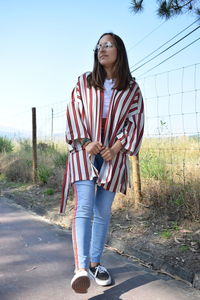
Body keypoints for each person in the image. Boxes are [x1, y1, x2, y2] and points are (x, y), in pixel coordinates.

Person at [60, 32, 144, 294]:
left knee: (103, 211)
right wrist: (86, 141)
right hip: (84, 151)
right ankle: (81, 269)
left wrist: (116, 147)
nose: (102, 49)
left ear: (119, 50)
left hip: (113, 155)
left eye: (108, 45)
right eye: (98, 46)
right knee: (84, 207)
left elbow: (135, 120)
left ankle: (96, 263)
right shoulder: (84, 81)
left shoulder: (131, 88)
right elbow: (74, 111)